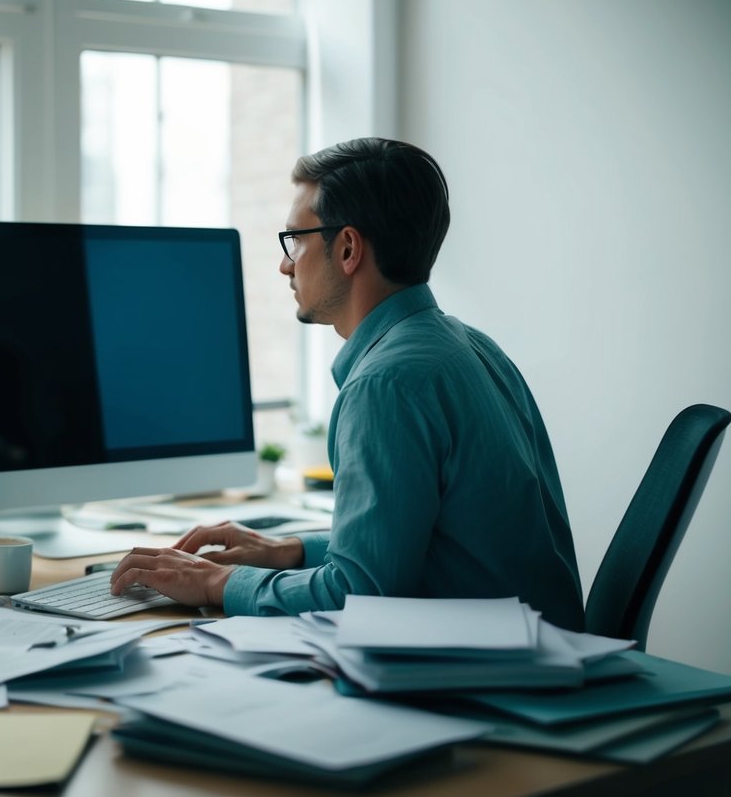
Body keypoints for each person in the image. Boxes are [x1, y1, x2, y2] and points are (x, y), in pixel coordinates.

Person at [110, 137, 585, 631]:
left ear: (348, 248)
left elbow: (361, 596)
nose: (286, 263)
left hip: (490, 684)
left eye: (296, 240)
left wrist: (215, 584)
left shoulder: (386, 383)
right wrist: (290, 549)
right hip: (544, 651)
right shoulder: (471, 347)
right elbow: (419, 542)